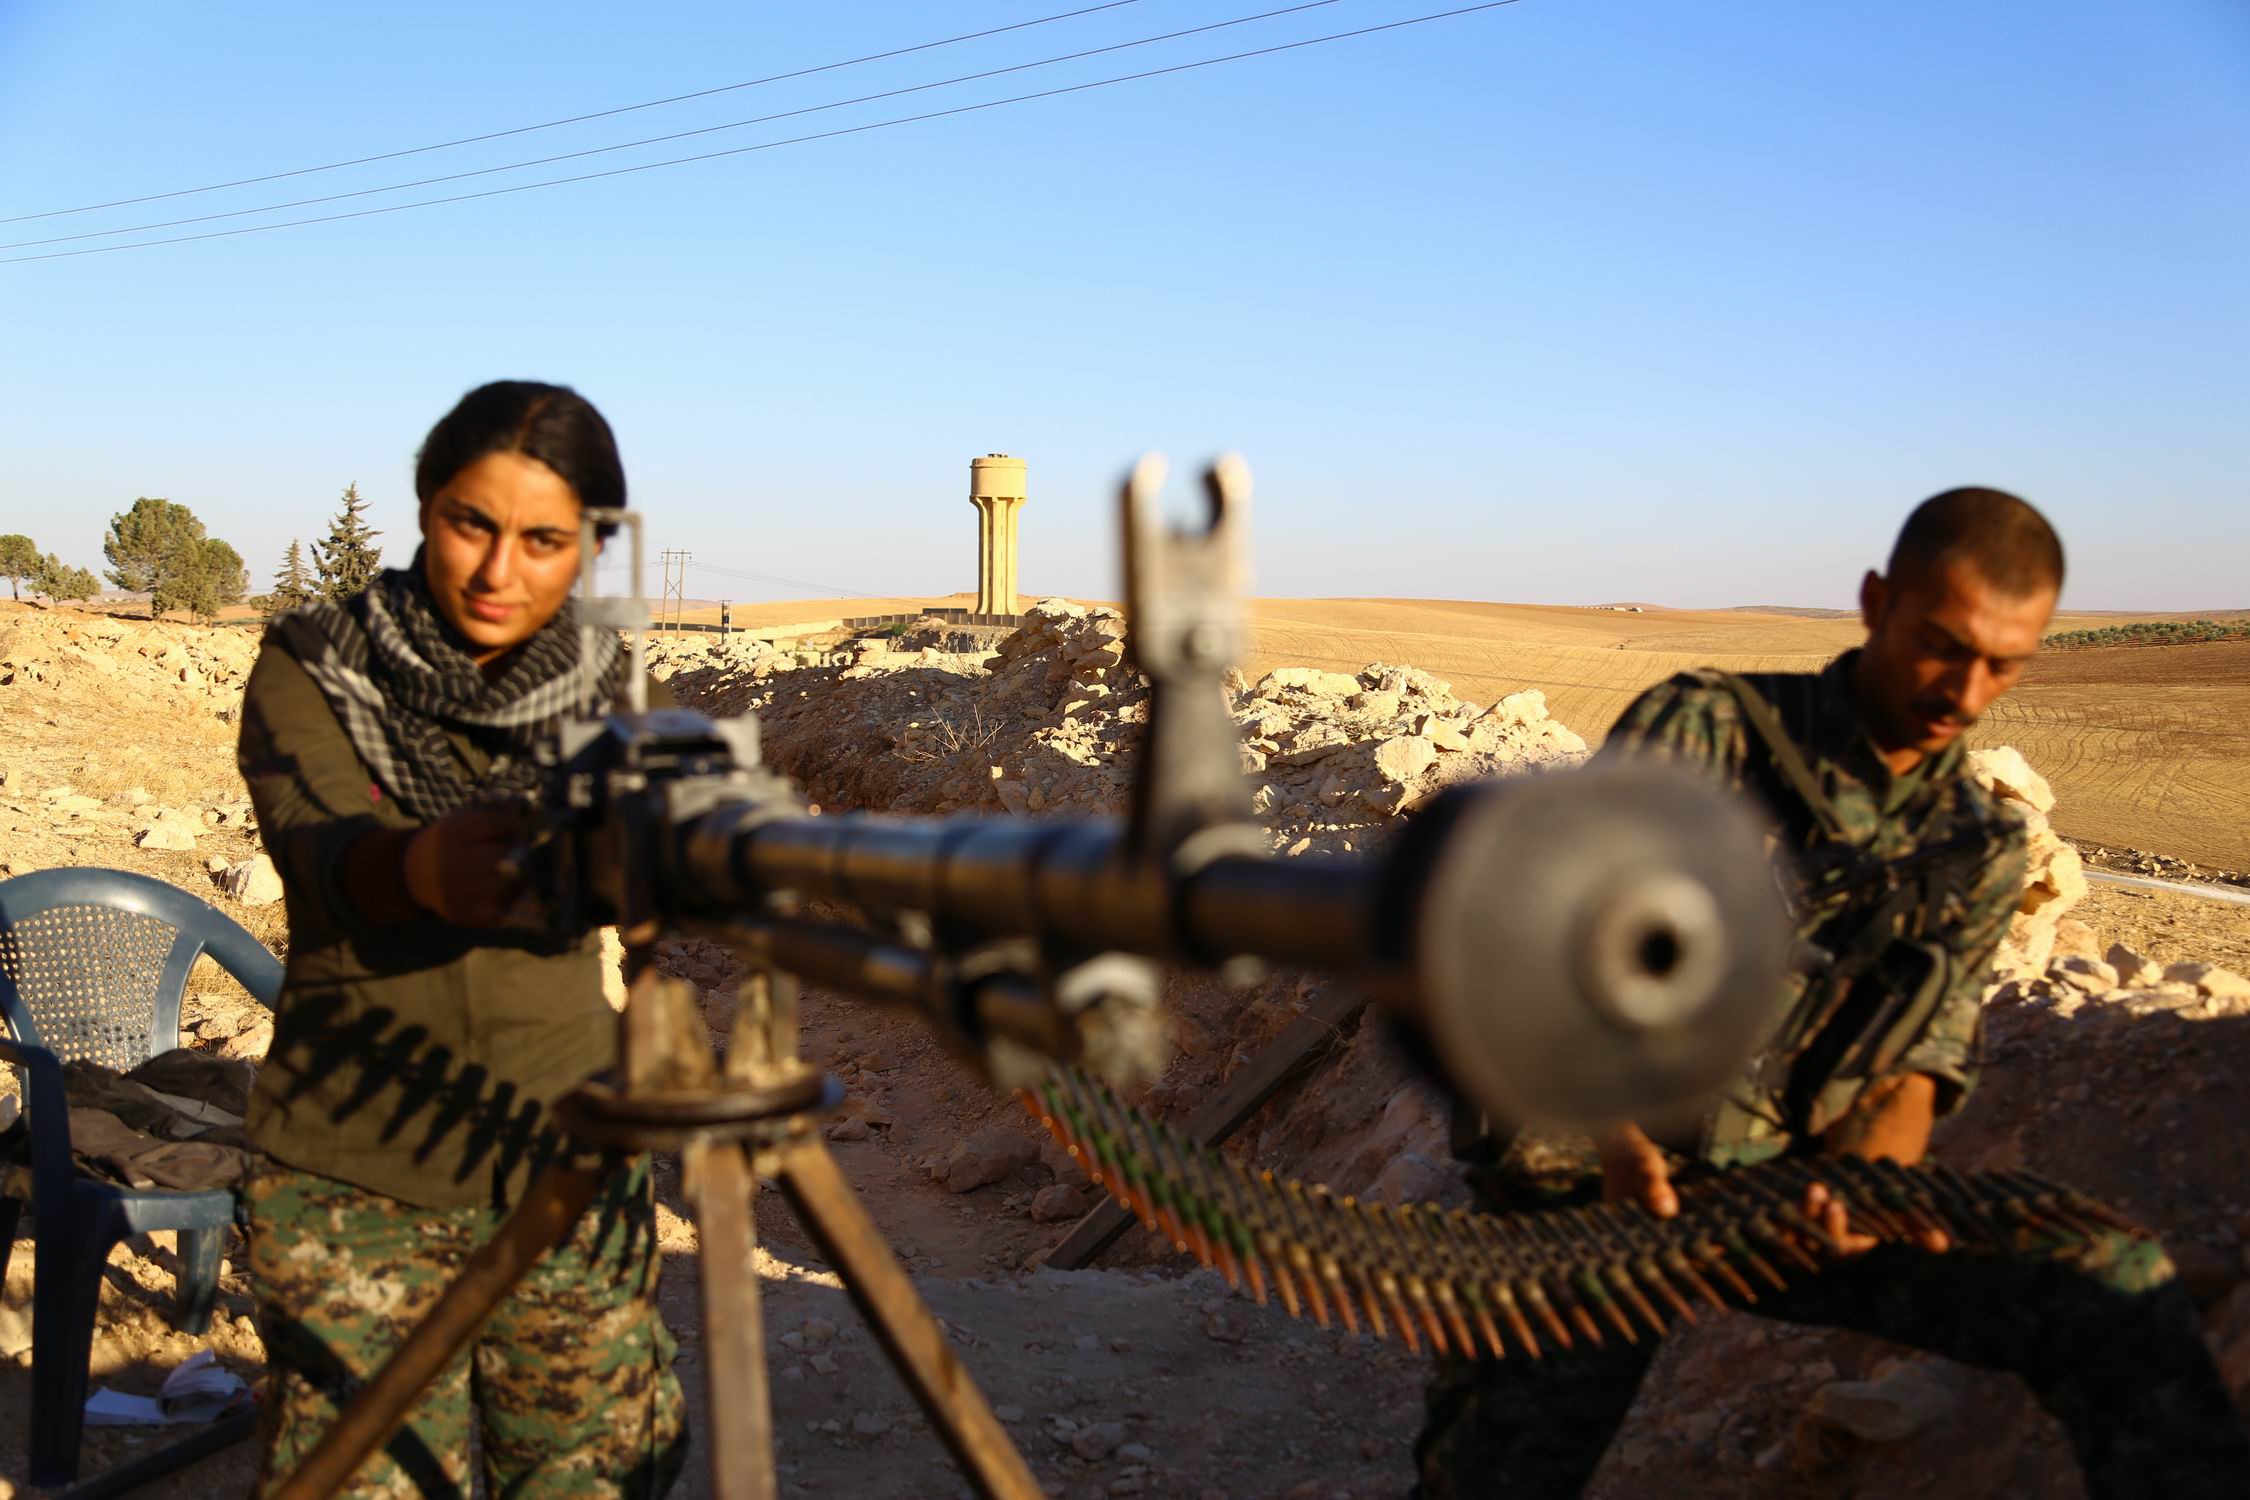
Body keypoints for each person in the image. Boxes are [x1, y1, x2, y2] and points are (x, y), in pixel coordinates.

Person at [1416, 488, 2250, 1498]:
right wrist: (1619, 1144)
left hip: (1782, 1195)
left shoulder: (1976, 847)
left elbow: (1917, 1063)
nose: (1965, 691)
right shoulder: (1708, 731)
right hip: (1594, 1179)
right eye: (1942, 646)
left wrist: (1865, 1186)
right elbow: (1552, 950)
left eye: (2004, 664)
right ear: (1875, 603)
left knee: (2109, 1283)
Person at [236, 381, 687, 1497]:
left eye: (543, 542)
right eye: (470, 525)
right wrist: (418, 870)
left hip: (565, 1155)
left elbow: (643, 880)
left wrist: (679, 888)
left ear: (592, 547)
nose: (498, 572)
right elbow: (318, 853)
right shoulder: (316, 663)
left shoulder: (609, 683)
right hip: (354, 1175)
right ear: (426, 507)